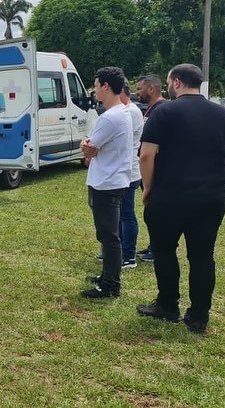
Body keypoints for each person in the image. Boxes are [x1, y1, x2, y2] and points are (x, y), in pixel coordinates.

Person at [135, 64, 225, 334]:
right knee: (203, 257)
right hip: (210, 198)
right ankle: (198, 316)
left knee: (164, 251)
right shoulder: (224, 114)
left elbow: (147, 154)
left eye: (170, 82)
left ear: (177, 83)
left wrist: (148, 187)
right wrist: (222, 181)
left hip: (168, 196)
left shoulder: (164, 112)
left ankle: (167, 305)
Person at [79, 66, 133, 299]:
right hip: (113, 180)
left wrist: (85, 146)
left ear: (106, 86)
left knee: (109, 237)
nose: (94, 90)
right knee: (108, 235)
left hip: (107, 183)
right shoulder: (123, 113)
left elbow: (89, 150)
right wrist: (88, 146)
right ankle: (107, 276)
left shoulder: (110, 118)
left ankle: (111, 285)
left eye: (96, 85)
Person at [133, 74, 167, 262]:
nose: (137, 93)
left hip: (156, 170)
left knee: (157, 213)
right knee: (152, 213)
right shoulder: (151, 109)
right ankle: (154, 245)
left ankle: (158, 248)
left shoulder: (161, 110)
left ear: (151, 89)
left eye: (139, 88)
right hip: (148, 169)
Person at [118, 83, 145, 267]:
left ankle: (129, 255)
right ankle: (117, 251)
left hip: (130, 171)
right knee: (119, 214)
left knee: (127, 214)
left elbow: (124, 140)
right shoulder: (125, 110)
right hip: (123, 171)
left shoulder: (132, 112)